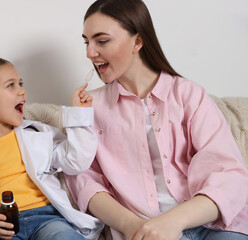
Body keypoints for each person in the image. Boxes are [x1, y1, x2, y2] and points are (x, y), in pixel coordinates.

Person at [65, 0, 248, 239]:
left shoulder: (189, 95)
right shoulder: (90, 107)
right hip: (143, 231)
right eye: (86, 42)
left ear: (138, 41)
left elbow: (229, 175)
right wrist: (133, 226)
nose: (89, 52)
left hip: (213, 225)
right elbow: (83, 181)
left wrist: (174, 221)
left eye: (101, 41)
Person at [0, 56, 104, 240]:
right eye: (11, 85)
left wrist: (79, 115)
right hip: (1, 227)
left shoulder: (37, 133)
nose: (22, 91)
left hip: (47, 221)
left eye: (20, 83)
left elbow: (76, 160)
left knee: (64, 236)